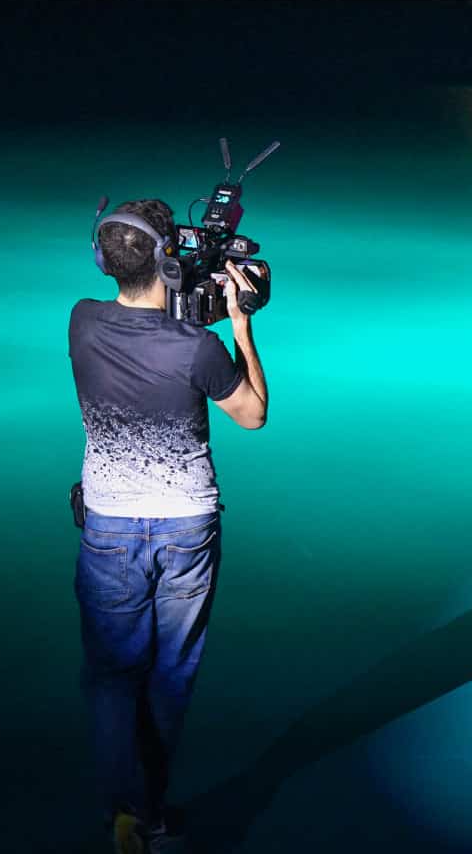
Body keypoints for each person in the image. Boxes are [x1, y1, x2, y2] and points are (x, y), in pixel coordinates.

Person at [70, 199, 269, 852]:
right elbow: (253, 413)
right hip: (186, 527)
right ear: (170, 262)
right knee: (170, 672)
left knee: (110, 675)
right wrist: (241, 324)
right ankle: (152, 808)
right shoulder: (199, 348)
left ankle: (121, 808)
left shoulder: (81, 322)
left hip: (108, 526)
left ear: (103, 261)